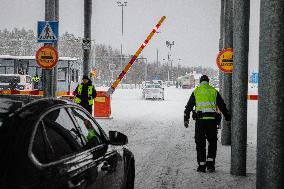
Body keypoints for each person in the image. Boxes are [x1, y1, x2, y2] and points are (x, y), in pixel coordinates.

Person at [184, 75, 231, 173]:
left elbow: (188, 107)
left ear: (200, 82)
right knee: (212, 143)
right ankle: (210, 165)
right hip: (212, 122)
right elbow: (222, 106)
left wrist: (186, 119)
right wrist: (227, 117)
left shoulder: (196, 91)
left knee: (200, 143)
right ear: (208, 82)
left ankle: (201, 166)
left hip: (200, 122)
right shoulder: (214, 91)